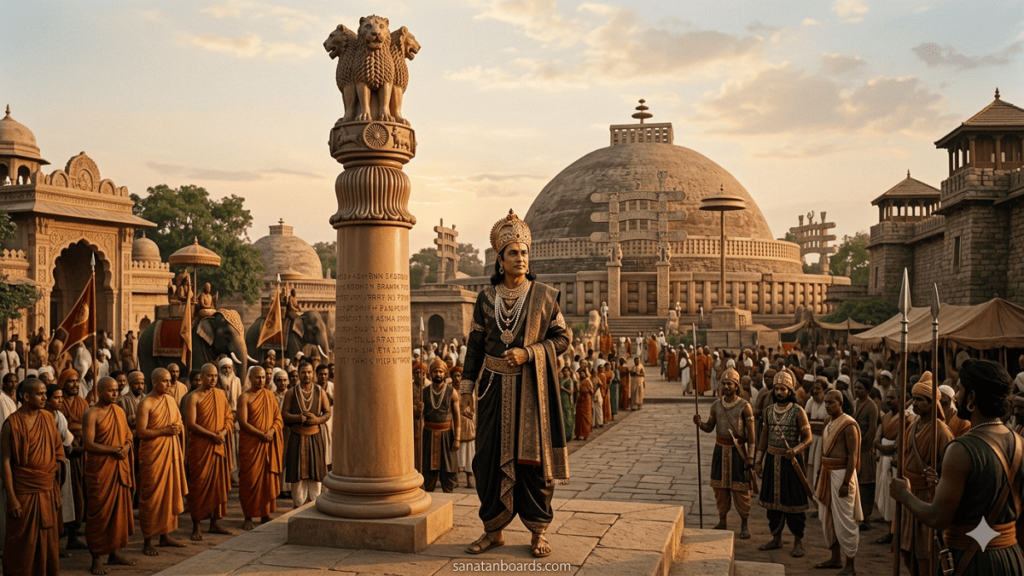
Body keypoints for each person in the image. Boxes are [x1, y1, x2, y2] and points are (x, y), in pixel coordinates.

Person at [460, 210, 570, 559]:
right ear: (500, 260)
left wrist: (530, 353)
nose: (520, 258)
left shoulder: (544, 296)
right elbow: (475, 348)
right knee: (487, 461)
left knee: (532, 464)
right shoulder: (485, 299)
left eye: (524, 252)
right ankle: (493, 531)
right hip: (492, 390)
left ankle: (538, 532)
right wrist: (465, 390)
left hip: (530, 392)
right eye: (513, 253)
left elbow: (563, 338)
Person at [891, 359, 1024, 575]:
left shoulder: (961, 449)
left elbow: (937, 517)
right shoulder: (1020, 443)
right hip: (1011, 558)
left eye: (959, 389)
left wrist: (904, 494)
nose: (955, 396)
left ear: (971, 398)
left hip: (972, 561)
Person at [1, 378, 64, 576]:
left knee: (48, 541)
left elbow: (58, 451)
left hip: (46, 488)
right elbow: (4, 463)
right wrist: (11, 498)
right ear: (25, 397)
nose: (45, 397)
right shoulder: (11, 424)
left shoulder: (47, 418)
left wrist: (54, 470)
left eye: (46, 393)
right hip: (23, 491)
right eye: (40, 394)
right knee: (21, 542)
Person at [893, 370, 953, 575]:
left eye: (920, 400)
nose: (915, 403)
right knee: (907, 552)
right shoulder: (913, 425)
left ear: (931, 403)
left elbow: (950, 467)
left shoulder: (941, 431)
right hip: (908, 494)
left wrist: (938, 478)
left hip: (928, 497)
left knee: (925, 551)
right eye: (914, 399)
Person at [755, 370, 813, 558]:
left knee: (794, 503)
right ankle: (776, 538)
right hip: (772, 461)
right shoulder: (769, 411)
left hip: (791, 463)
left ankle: (797, 541)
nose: (779, 392)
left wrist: (795, 450)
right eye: (777, 388)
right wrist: (758, 460)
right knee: (772, 505)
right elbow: (764, 437)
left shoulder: (798, 411)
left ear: (790, 390)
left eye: (783, 389)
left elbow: (808, 438)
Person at [82, 376, 136, 575]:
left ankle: (114, 552)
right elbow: (88, 445)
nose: (115, 393)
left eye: (117, 390)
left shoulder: (119, 411)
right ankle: (96, 557)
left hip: (118, 468)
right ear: (100, 391)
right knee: (100, 514)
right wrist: (113, 450)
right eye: (111, 390)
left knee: (118, 513)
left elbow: (128, 436)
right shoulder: (92, 414)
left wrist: (127, 447)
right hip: (100, 471)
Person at [693, 368, 755, 539]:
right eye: (724, 383)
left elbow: (751, 435)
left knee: (741, 490)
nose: (726, 386)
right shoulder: (716, 405)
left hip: (738, 452)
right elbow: (709, 427)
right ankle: (722, 520)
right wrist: (700, 424)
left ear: (736, 386)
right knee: (720, 489)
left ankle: (744, 524)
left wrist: (751, 456)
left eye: (730, 384)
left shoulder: (745, 406)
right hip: (720, 451)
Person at [136, 367, 188, 556]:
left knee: (168, 493)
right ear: (155, 382)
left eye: (169, 381)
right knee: (152, 497)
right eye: (164, 381)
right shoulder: (146, 403)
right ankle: (148, 539)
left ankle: (165, 535)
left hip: (170, 453)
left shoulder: (171, 400)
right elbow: (141, 432)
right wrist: (164, 431)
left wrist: (177, 427)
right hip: (153, 455)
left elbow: (180, 422)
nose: (168, 384)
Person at [814, 390, 862, 575]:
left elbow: (853, 456)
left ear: (840, 403)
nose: (827, 406)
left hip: (842, 474)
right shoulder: (829, 422)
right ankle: (835, 558)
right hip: (827, 473)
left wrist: (845, 482)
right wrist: (819, 472)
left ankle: (850, 565)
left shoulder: (849, 424)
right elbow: (824, 452)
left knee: (846, 520)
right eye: (825, 402)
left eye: (831, 402)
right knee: (827, 517)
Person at [184, 363, 233, 541]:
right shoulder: (193, 397)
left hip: (218, 445)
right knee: (199, 483)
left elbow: (228, 417)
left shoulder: (220, 395)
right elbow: (191, 424)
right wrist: (212, 436)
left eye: (215, 376)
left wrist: (223, 432)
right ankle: (196, 524)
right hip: (201, 447)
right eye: (209, 376)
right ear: (202, 377)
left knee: (217, 484)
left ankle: (214, 522)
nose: (213, 379)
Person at [237, 366, 283, 530]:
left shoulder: (270, 396)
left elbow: (278, 418)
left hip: (267, 444)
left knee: (267, 480)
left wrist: (270, 431)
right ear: (250, 378)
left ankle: (265, 515)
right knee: (249, 479)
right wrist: (261, 434)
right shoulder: (244, 397)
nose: (261, 380)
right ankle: (248, 516)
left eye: (263, 377)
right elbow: (243, 423)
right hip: (252, 445)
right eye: (257, 377)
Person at [282, 361, 330, 508]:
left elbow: (327, 413)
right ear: (298, 373)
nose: (306, 375)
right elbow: (284, 414)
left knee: (316, 474)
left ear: (313, 373)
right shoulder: (291, 392)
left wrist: (317, 419)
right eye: (303, 372)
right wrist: (297, 418)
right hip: (296, 437)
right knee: (297, 475)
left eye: (309, 372)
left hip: (315, 438)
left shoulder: (320, 392)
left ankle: (316, 507)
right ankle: (297, 507)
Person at [57, 367, 89, 549]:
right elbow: (64, 428)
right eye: (71, 381)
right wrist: (76, 428)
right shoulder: (58, 404)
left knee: (79, 494)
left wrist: (77, 428)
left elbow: (86, 426)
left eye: (77, 380)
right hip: (65, 453)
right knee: (66, 494)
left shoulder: (83, 403)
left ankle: (73, 533)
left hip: (80, 454)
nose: (75, 384)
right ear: (63, 383)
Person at [419, 358, 461, 493]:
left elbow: (456, 416)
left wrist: (457, 438)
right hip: (428, 435)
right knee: (428, 473)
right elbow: (417, 415)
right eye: (435, 371)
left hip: (447, 436)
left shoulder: (451, 392)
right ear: (431, 373)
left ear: (445, 373)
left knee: (448, 473)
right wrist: (417, 409)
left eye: (441, 371)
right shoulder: (424, 392)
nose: (438, 374)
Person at [873, 387, 903, 544]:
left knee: (893, 500)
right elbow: (877, 439)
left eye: (892, 398)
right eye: (888, 398)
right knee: (884, 496)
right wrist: (880, 446)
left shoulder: (906, 418)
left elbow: (896, 445)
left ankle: (895, 533)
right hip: (883, 461)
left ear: (900, 398)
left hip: (894, 463)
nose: (889, 400)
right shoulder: (885, 418)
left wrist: (883, 446)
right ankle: (888, 530)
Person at [852, 376, 878, 531]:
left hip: (865, 451)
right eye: (856, 387)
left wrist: (862, 447)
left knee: (865, 485)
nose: (857, 390)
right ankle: (858, 516)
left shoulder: (871, 407)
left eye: (860, 388)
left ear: (868, 391)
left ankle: (866, 518)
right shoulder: (856, 404)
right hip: (855, 450)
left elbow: (871, 431)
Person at [452, 366, 476, 488]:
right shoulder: (450, 391)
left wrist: (470, 414)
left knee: (469, 453)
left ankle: (469, 479)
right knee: (456, 453)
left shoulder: (468, 392)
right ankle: (455, 478)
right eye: (455, 376)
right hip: (456, 424)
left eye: (459, 376)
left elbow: (473, 408)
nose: (457, 378)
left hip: (468, 424)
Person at [805, 378, 828, 489]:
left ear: (824, 390)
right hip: (812, 438)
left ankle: (820, 488)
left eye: (818, 389)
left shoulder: (827, 402)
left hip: (824, 438)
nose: (816, 391)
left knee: (820, 464)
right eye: (814, 388)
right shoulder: (810, 402)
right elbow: (806, 420)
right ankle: (811, 488)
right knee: (811, 463)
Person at [412, 361, 427, 473]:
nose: (419, 375)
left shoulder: (429, 386)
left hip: (428, 423)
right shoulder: (410, 387)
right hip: (414, 423)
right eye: (416, 373)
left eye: (421, 373)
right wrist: (416, 409)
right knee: (416, 450)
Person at [574, 367, 593, 441]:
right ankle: (578, 434)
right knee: (579, 418)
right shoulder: (579, 381)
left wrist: (586, 394)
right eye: (581, 373)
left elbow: (591, 390)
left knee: (586, 418)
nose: (582, 374)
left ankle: (585, 434)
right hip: (580, 400)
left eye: (583, 373)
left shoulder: (587, 380)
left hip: (586, 400)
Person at [558, 367, 574, 444]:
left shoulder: (570, 381)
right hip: (560, 400)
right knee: (562, 417)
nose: (565, 373)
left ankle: (568, 435)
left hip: (567, 401)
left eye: (567, 371)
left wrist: (563, 388)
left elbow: (571, 392)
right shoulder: (560, 380)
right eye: (564, 371)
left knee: (568, 418)